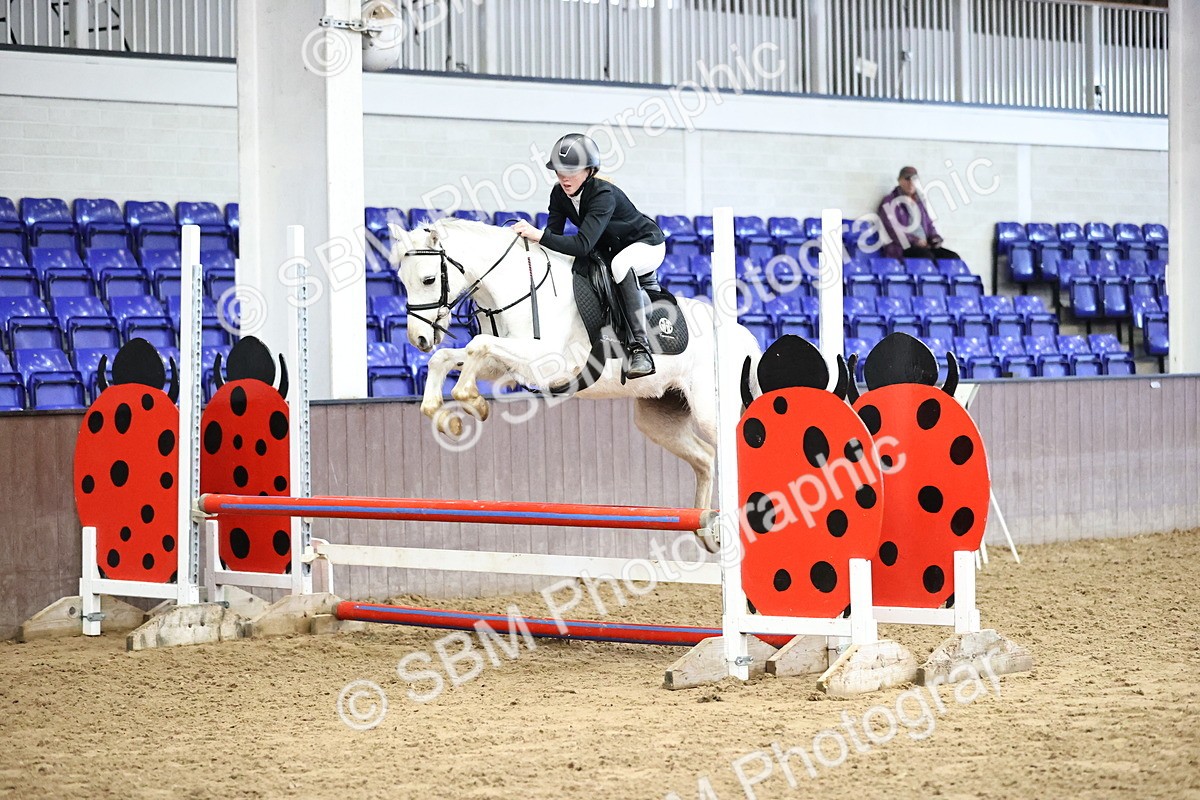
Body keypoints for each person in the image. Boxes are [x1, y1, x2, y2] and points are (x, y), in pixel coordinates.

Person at [512, 133, 665, 379]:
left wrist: (538, 235)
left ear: (590, 171)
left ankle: (641, 349)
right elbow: (554, 236)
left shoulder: (603, 194)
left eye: (571, 171)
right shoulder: (559, 194)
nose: (564, 177)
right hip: (609, 248)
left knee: (620, 264)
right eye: (559, 170)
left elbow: (582, 244)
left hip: (645, 244)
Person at [877, 166, 960, 260]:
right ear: (899, 180)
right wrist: (915, 240)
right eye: (907, 179)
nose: (911, 183)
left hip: (924, 247)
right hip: (902, 247)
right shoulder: (889, 202)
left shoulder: (919, 201)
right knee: (927, 257)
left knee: (953, 258)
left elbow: (929, 224)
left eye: (914, 179)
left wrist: (935, 238)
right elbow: (893, 231)